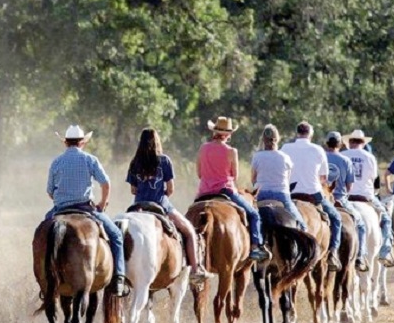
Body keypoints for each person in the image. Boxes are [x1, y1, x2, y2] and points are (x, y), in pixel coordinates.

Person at [45, 125, 129, 297]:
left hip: (60, 209)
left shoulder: (56, 162)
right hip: (86, 208)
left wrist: (61, 200)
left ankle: (45, 279)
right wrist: (102, 203)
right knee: (116, 235)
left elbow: (50, 191)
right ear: (82, 142)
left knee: (43, 232)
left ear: (65, 142)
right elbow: (106, 183)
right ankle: (119, 278)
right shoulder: (90, 159)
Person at [126, 128, 212, 285]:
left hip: (138, 207)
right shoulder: (164, 161)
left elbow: (133, 189)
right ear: (157, 141)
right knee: (189, 231)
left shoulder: (134, 162)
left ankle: (120, 272)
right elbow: (170, 189)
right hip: (160, 205)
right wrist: (160, 192)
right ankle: (195, 269)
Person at [196, 117, 271, 261]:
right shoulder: (231, 151)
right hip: (226, 191)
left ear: (214, 132)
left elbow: (199, 174)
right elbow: (234, 175)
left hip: (204, 193)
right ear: (229, 134)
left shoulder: (203, 148)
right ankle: (256, 247)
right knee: (254, 215)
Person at [281, 121, 342, 269]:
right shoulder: (318, 149)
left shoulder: (285, 148)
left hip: (289, 193)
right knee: (336, 218)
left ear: (297, 132)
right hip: (312, 194)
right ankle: (333, 253)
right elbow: (323, 178)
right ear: (310, 134)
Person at [342, 129, 394, 266]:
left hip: (344, 198)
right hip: (365, 197)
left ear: (349, 142)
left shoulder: (342, 154)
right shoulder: (369, 157)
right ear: (363, 142)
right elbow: (374, 180)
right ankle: (384, 252)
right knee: (386, 218)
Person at [251, 124, 307, 231]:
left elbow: (253, 179)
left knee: (249, 221)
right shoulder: (285, 157)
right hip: (281, 195)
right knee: (302, 225)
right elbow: (287, 179)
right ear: (278, 139)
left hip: (261, 194)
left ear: (263, 139)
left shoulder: (257, 156)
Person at [325, 131, 368, 270]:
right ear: (340, 144)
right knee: (361, 225)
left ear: (327, 143)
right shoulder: (345, 160)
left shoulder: (321, 157)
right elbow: (349, 186)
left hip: (322, 199)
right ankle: (360, 256)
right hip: (340, 199)